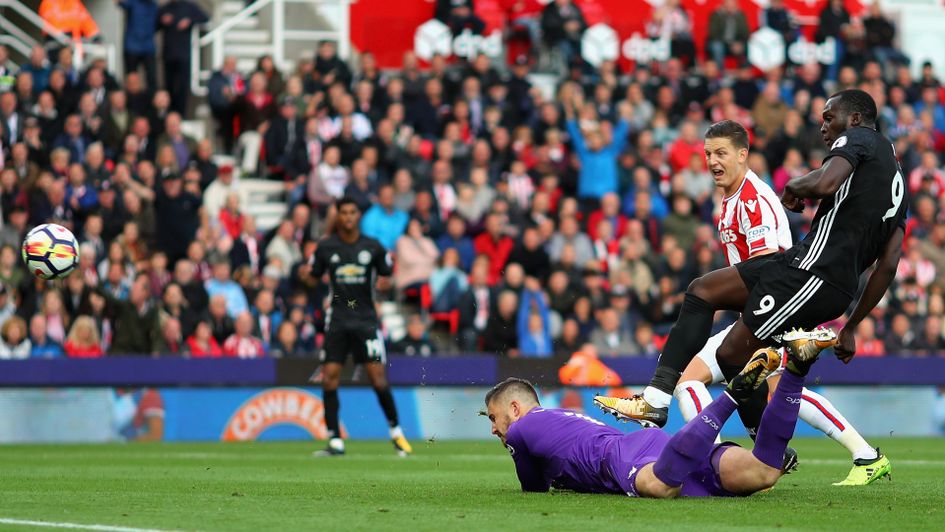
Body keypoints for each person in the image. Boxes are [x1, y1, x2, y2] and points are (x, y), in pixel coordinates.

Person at [595, 90, 907, 485]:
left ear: (856, 119)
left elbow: (826, 183)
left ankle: (754, 453)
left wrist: (795, 185)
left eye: (829, 117)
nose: (823, 126)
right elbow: (889, 263)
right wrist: (852, 326)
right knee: (706, 299)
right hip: (805, 269)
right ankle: (663, 403)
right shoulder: (896, 183)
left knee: (732, 362)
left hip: (809, 274)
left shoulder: (860, 139)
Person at [484, 331, 832, 497]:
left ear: (515, 409)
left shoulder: (522, 428)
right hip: (653, 445)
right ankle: (797, 369)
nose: (495, 431)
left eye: (494, 418)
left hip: (620, 457)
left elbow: (532, 489)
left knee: (658, 487)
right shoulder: (560, 417)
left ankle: (731, 396)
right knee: (764, 472)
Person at [308, 197, 412, 457]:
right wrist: (305, 275)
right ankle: (335, 440)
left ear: (358, 216)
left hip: (366, 322)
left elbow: (387, 275)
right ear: (338, 216)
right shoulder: (326, 247)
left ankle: (397, 433)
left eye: (352, 212)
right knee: (330, 377)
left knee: (377, 377)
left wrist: (387, 284)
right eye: (343, 213)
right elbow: (311, 279)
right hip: (338, 322)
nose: (348, 217)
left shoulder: (373, 246)